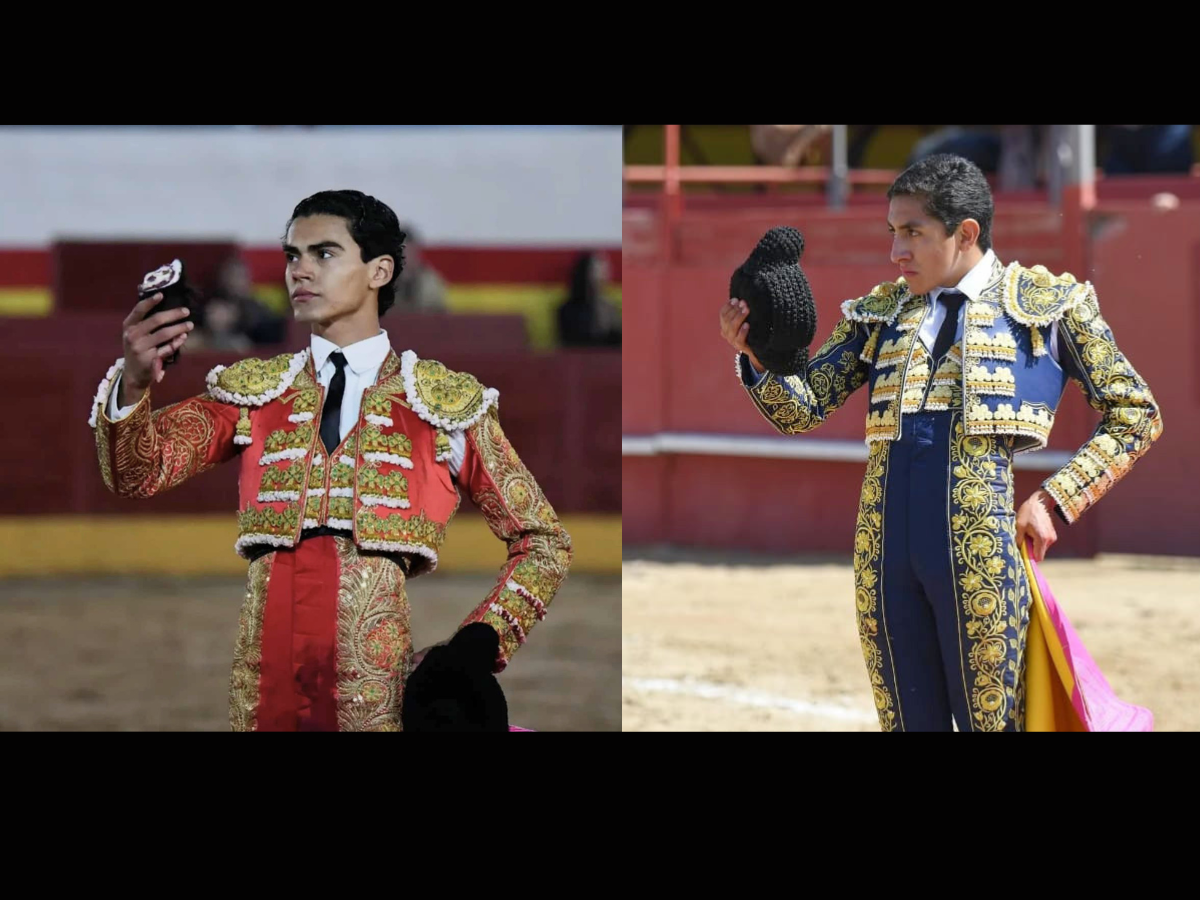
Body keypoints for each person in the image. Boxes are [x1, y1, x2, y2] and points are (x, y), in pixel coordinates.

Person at [89, 189, 572, 732]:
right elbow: (138, 472)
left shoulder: (442, 404)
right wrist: (133, 383)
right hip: (264, 680)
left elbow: (544, 542)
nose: (300, 271)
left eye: (324, 254)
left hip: (375, 688)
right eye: (292, 255)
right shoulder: (254, 392)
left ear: (379, 270)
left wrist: (479, 645)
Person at [718, 154, 1162, 732]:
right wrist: (756, 360)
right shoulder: (881, 312)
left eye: (912, 233)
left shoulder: (1046, 304)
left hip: (978, 550)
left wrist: (1055, 500)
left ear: (965, 233)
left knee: (993, 725)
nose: (896, 252)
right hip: (882, 551)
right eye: (892, 233)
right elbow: (803, 409)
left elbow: (1137, 412)